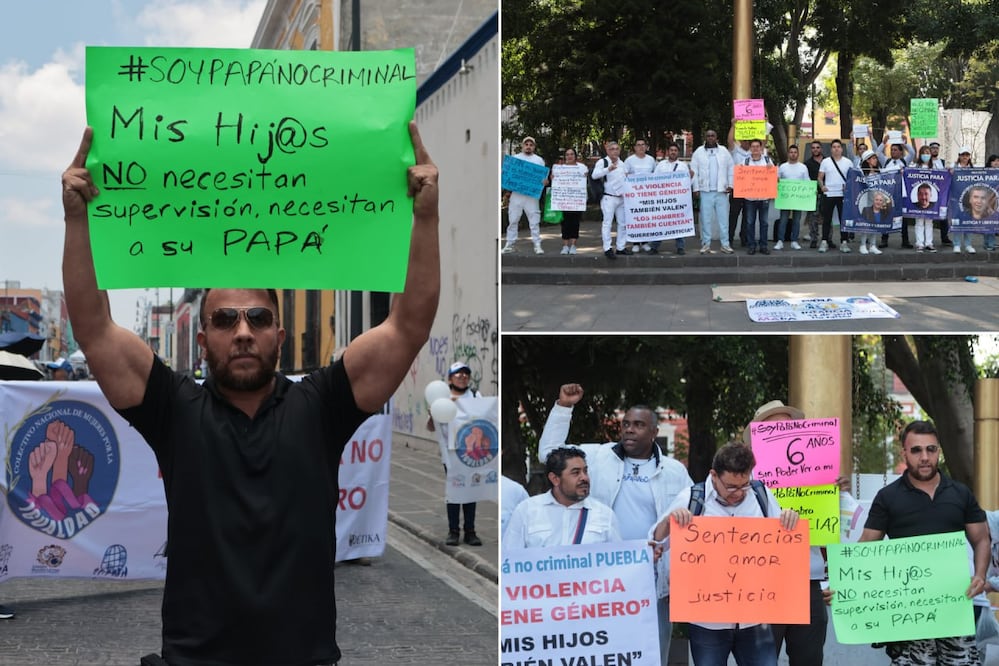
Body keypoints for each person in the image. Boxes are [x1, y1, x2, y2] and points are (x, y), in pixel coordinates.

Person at [60, 122, 440, 666]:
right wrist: (79, 221)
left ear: (279, 335)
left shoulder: (321, 406)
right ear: (202, 336)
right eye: (224, 319)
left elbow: (408, 327)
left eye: (258, 318)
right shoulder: (172, 409)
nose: (242, 331)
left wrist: (424, 218)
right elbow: (94, 329)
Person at [539, 383, 693, 665]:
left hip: (653, 574)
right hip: (603, 575)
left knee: (653, 649)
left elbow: (693, 520)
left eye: (638, 425)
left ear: (654, 432)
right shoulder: (598, 457)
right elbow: (549, 455)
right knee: (605, 647)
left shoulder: (675, 472)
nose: (629, 430)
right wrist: (563, 407)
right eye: (626, 424)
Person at [650, 442, 799, 666]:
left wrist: (788, 518)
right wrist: (670, 522)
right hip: (707, 623)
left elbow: (781, 544)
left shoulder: (761, 495)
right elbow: (655, 540)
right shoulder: (691, 498)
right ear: (714, 475)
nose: (738, 493)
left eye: (744, 485)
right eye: (730, 487)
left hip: (755, 620)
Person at [859, 420, 990, 665]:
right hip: (909, 610)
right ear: (904, 453)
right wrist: (845, 587)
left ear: (938, 451)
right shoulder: (888, 497)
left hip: (956, 603)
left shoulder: (960, 493)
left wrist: (980, 575)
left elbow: (982, 539)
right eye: (916, 450)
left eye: (931, 449)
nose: (925, 457)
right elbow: (866, 545)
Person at [741, 400, 831, 665]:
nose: (782, 432)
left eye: (788, 426)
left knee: (809, 659)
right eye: (773, 428)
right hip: (762, 585)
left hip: (808, 583)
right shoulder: (743, 481)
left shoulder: (818, 474)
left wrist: (829, 580)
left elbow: (831, 532)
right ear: (757, 440)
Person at [503, 447, 621, 550]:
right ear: (555, 479)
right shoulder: (527, 511)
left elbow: (617, 563)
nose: (584, 478)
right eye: (576, 473)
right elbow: (509, 558)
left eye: (585, 471)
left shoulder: (604, 515)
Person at [427, 362, 483, 547]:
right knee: (454, 490)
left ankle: (470, 531)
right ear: (450, 378)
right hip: (450, 453)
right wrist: (432, 414)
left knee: (471, 491)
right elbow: (430, 427)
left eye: (466, 375)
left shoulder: (475, 396)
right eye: (458, 375)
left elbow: (484, 418)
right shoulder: (441, 398)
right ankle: (453, 531)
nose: (463, 378)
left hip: (472, 452)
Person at [690, 129, 736, 254]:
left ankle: (725, 244)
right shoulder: (698, 152)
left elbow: (731, 169)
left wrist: (731, 184)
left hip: (721, 191)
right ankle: (706, 244)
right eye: (708, 136)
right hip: (705, 191)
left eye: (713, 136)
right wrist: (696, 188)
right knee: (706, 219)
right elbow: (694, 171)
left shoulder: (724, 151)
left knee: (723, 219)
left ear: (716, 138)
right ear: (705, 138)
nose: (710, 138)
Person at [502, 136, 547, 255]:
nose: (528, 146)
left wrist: (544, 182)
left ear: (534, 147)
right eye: (526, 144)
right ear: (523, 146)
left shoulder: (539, 160)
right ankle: (509, 244)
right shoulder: (515, 159)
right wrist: (507, 189)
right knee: (513, 219)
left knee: (534, 220)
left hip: (531, 196)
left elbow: (543, 178)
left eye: (531, 145)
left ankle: (537, 244)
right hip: (517, 194)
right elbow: (508, 175)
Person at [651, 141, 693, 255]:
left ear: (678, 152)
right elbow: (653, 181)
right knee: (660, 222)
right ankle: (654, 246)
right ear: (668, 152)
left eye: (675, 150)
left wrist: (691, 177)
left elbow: (687, 184)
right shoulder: (661, 165)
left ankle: (680, 247)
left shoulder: (683, 166)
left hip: (678, 199)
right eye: (671, 150)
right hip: (663, 200)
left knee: (678, 222)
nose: (673, 152)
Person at [592, 141, 630, 260]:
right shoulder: (602, 162)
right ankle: (607, 248)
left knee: (622, 223)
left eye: (617, 149)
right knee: (607, 223)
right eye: (612, 149)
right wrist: (608, 169)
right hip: (608, 197)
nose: (615, 151)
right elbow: (594, 175)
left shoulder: (622, 163)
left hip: (621, 197)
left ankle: (620, 247)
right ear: (608, 150)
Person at [817, 139, 855, 253]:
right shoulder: (825, 162)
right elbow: (819, 177)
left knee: (843, 219)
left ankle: (844, 242)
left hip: (842, 194)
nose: (836, 148)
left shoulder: (848, 162)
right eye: (834, 147)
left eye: (838, 146)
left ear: (842, 149)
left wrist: (847, 186)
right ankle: (824, 241)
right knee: (827, 219)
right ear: (831, 149)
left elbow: (852, 178)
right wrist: (822, 186)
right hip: (829, 194)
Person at [741, 138, 775, 255]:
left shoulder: (767, 161)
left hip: (764, 198)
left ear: (761, 148)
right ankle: (751, 245)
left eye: (757, 146)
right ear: (750, 148)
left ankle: (763, 246)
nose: (755, 149)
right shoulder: (745, 162)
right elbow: (740, 179)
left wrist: (772, 171)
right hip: (749, 198)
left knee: (764, 223)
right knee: (750, 223)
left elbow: (775, 178)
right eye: (753, 146)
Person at [625, 138, 658, 253]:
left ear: (646, 147)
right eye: (638, 145)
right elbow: (624, 175)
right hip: (633, 195)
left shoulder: (651, 160)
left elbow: (656, 175)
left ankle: (644, 242)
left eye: (643, 145)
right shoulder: (629, 160)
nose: (640, 147)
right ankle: (635, 242)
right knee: (635, 219)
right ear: (634, 148)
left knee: (645, 219)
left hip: (647, 195)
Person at [775, 144, 809, 251]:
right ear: (788, 154)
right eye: (791, 152)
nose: (793, 154)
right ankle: (780, 241)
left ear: (798, 154)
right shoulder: (783, 167)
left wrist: (811, 190)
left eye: (795, 152)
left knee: (796, 220)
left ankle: (794, 241)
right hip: (785, 198)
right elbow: (777, 180)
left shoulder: (803, 167)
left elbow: (807, 182)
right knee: (783, 219)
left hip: (798, 199)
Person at [558, 148, 588, 255]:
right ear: (565, 156)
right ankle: (565, 246)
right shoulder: (560, 168)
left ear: (575, 156)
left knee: (575, 223)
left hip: (577, 200)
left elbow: (585, 181)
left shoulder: (582, 167)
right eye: (567, 154)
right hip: (564, 199)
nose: (569, 156)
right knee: (565, 223)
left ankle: (573, 245)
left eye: (571, 154)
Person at [855, 150, 886, 255]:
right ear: (867, 160)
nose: (875, 160)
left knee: (875, 224)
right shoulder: (862, 173)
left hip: (877, 203)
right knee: (866, 225)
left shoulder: (879, 172)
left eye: (875, 158)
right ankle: (863, 245)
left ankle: (873, 245)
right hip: (866, 203)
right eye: (873, 158)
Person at [950, 147, 976, 253]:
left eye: (967, 155)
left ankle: (968, 244)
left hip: (969, 200)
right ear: (959, 156)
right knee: (957, 221)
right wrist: (950, 173)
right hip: (956, 199)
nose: (965, 157)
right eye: (963, 155)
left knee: (968, 221)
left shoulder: (974, 169)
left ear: (969, 156)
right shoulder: (954, 167)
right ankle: (956, 244)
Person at [803, 141, 825, 248]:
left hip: (826, 193)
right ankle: (814, 239)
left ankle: (827, 239)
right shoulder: (807, 164)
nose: (815, 149)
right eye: (813, 148)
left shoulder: (828, 161)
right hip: (812, 194)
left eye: (817, 147)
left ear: (821, 149)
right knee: (813, 218)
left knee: (827, 217)